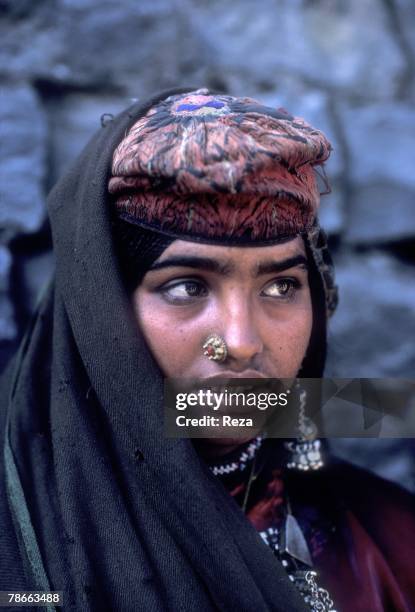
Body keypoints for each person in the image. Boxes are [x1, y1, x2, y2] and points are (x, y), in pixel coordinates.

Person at [0, 88, 413, 612]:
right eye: (187, 287)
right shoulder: (20, 551)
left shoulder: (394, 549)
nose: (240, 343)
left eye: (281, 287)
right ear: (99, 309)